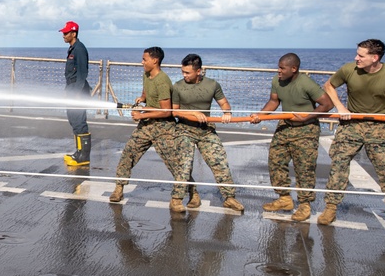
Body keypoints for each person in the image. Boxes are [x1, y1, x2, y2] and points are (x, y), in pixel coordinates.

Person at [319, 39, 385, 233]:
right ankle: (330, 208)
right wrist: (340, 108)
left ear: (375, 58)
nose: (356, 58)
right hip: (352, 125)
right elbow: (328, 85)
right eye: (357, 54)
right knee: (338, 164)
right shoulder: (349, 69)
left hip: (380, 127)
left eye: (361, 55)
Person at [250, 53, 333, 222]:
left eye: (282, 68)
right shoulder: (277, 81)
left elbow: (327, 104)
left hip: (306, 129)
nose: (278, 71)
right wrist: (260, 115)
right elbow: (274, 101)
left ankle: (305, 204)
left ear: (293, 69)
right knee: (276, 161)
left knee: (304, 168)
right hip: (285, 126)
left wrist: (307, 116)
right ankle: (284, 198)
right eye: (278, 67)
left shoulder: (306, 83)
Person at [109, 47, 189, 214]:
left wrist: (141, 115)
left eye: (145, 59)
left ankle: (183, 196)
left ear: (155, 61)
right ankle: (119, 189)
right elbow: (146, 90)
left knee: (176, 164)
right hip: (146, 125)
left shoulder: (163, 81)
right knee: (128, 154)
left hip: (163, 127)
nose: (142, 62)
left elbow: (166, 111)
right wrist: (142, 98)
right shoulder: (147, 75)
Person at [171, 53, 244, 212]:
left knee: (220, 162)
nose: (184, 75)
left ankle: (229, 198)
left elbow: (224, 103)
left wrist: (227, 113)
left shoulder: (212, 85)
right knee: (183, 164)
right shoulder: (177, 87)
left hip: (206, 130)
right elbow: (174, 112)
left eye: (187, 72)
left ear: (199, 71)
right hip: (184, 129)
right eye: (182, 72)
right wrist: (193, 114)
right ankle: (177, 199)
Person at [60, 21, 91, 167]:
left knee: (79, 122)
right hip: (72, 89)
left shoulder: (79, 49)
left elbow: (83, 73)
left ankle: (83, 156)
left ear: (74, 33)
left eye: (66, 33)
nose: (64, 35)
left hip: (78, 91)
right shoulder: (72, 48)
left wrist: (78, 93)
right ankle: (78, 152)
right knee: (73, 120)